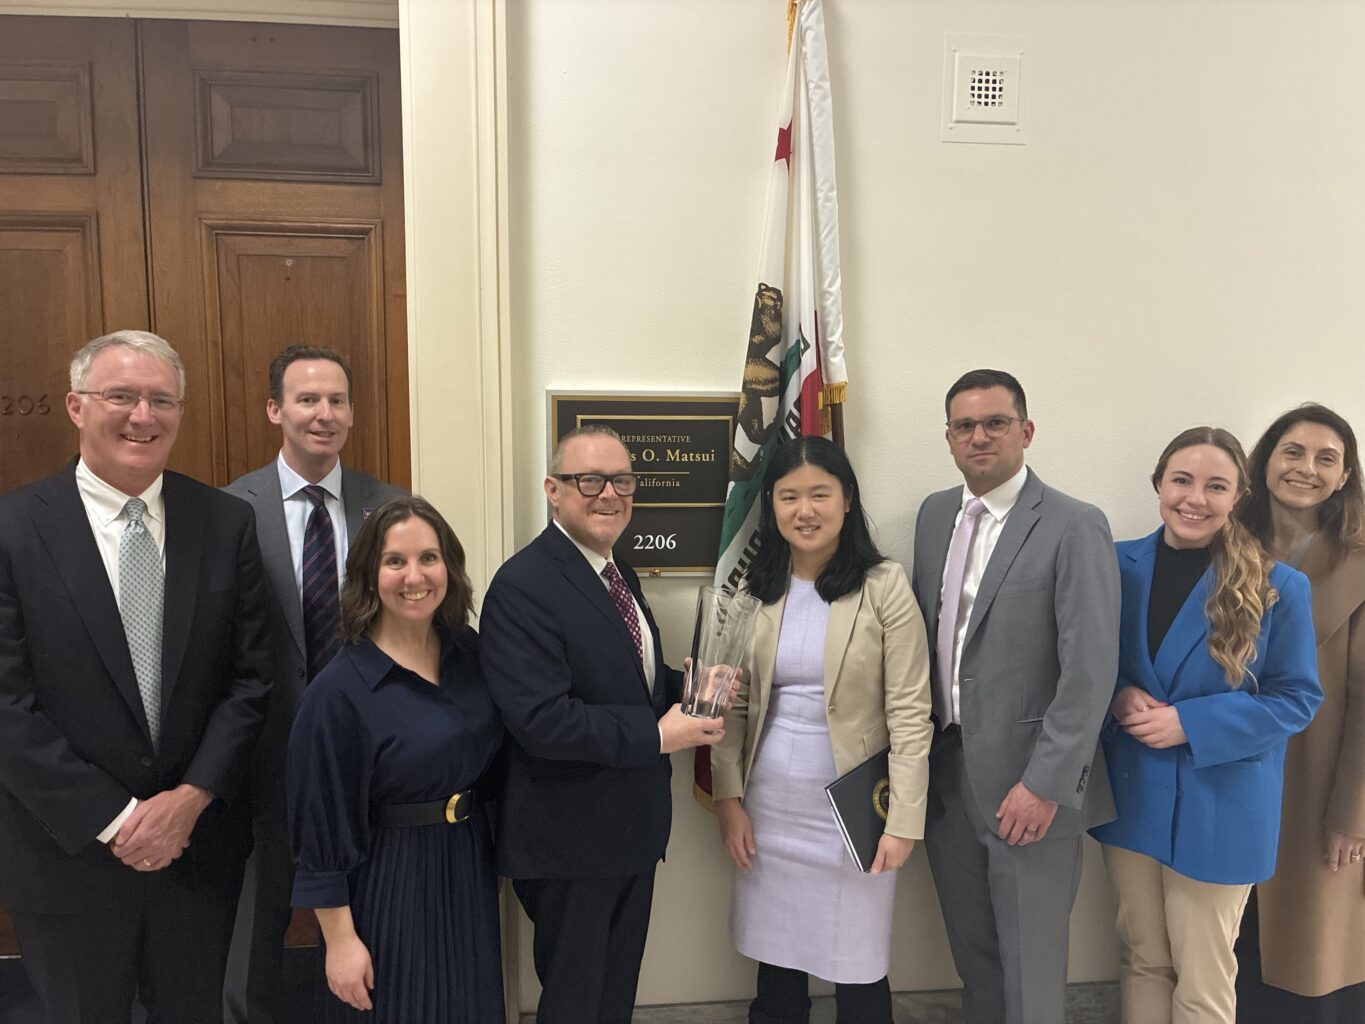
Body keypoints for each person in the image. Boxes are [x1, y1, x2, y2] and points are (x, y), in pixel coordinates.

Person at [0, 330, 272, 1024]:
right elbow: (6, 706)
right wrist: (120, 821)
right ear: (76, 406)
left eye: (161, 400)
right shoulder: (12, 530)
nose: (142, 416)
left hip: (196, 853)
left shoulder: (226, 522)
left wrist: (190, 799)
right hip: (66, 856)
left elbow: (251, 680)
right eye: (120, 396)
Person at [479, 423, 726, 1024]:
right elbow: (542, 720)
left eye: (621, 480)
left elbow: (630, 683)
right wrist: (658, 736)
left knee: (612, 1001)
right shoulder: (522, 585)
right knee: (575, 1004)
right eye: (589, 480)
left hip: (630, 832)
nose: (609, 494)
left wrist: (690, 687)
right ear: (553, 490)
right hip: (570, 841)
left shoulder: (618, 574)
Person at [1091, 426, 1322, 1024]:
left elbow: (1297, 698)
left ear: (1238, 496)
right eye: (1182, 481)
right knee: (1143, 960)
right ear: (1158, 485)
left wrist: (1191, 723)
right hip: (1134, 794)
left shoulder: (1279, 585)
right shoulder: (1113, 564)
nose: (1195, 498)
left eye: (1216, 486)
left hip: (1222, 803)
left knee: (1204, 976)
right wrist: (1117, 696)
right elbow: (1085, 662)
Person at [910, 368, 1120, 1024]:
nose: (979, 437)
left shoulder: (1074, 524)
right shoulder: (933, 515)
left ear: (1025, 431)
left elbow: (1089, 670)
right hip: (945, 781)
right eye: (964, 426)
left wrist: (1045, 784)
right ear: (948, 438)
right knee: (974, 961)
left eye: (995, 423)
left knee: (1031, 970)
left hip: (1029, 789)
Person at [711, 436, 933, 1024]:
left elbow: (911, 713)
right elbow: (733, 706)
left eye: (819, 494)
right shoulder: (753, 589)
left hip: (854, 813)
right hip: (769, 807)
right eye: (789, 496)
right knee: (777, 964)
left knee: (858, 963)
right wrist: (728, 802)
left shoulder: (884, 585)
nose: (804, 510)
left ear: (847, 499)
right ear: (771, 505)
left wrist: (903, 820)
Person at [223, 344, 404, 1024]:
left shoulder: (390, 507)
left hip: (368, 756)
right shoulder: (229, 510)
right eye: (307, 400)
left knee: (371, 917)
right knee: (254, 927)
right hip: (261, 757)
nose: (324, 414)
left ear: (351, 413)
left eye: (336, 400)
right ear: (275, 410)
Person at [286, 495, 503, 1022]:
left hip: (467, 865)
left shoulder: (470, 655)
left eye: (429, 558)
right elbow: (320, 829)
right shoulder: (338, 692)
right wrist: (341, 942)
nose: (415, 576)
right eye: (394, 561)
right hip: (389, 879)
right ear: (368, 575)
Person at [1232, 405, 1365, 1022]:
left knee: (1308, 957)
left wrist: (1353, 813)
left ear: (1344, 476)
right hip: (1225, 772)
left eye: (1325, 458)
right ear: (1266, 460)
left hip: (1318, 780)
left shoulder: (1361, 561)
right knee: (1228, 947)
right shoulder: (1223, 541)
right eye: (1292, 451)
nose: (1306, 468)